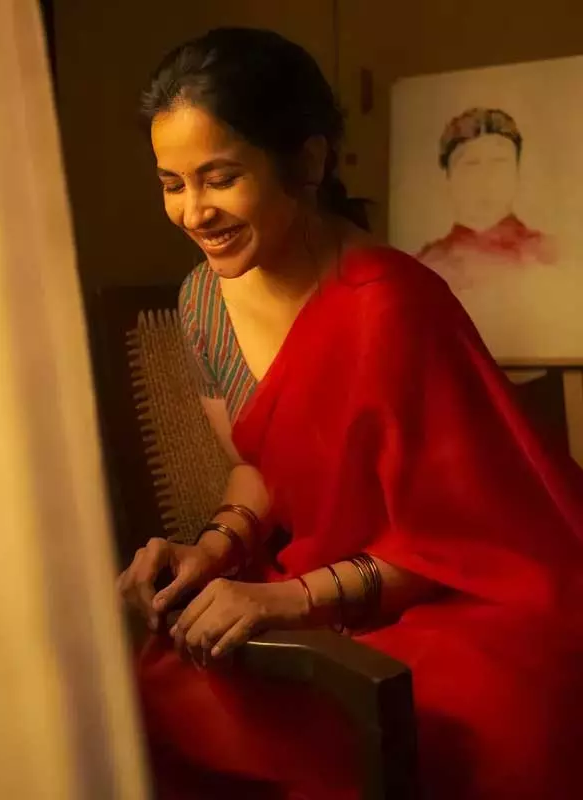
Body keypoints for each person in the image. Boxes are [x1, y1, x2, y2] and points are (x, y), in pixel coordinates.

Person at [118, 28, 583, 800]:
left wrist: (288, 600)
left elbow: (458, 539)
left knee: (482, 724)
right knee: (151, 685)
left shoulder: (391, 304)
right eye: (173, 184)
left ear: (307, 163)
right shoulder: (201, 300)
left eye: (220, 178)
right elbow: (262, 469)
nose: (194, 211)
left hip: (455, 593)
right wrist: (211, 548)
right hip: (312, 573)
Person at [417, 108, 557, 290]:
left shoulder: (551, 256)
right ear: (447, 178)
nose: (486, 178)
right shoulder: (425, 267)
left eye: (499, 163)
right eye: (471, 165)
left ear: (517, 173)